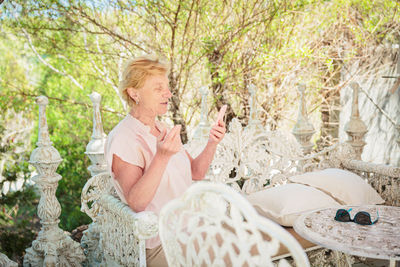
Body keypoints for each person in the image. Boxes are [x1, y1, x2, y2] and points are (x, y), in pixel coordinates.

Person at [105, 55, 226, 267]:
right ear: (134, 93)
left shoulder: (164, 129)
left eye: (167, 87)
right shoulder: (124, 137)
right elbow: (136, 202)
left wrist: (212, 143)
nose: (168, 94)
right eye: (158, 88)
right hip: (161, 243)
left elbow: (196, 172)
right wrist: (161, 157)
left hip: (191, 229)